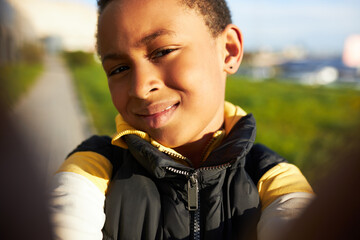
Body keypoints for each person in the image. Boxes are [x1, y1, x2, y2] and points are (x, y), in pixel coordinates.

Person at [50, 0, 314, 239]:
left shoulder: (272, 177)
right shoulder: (95, 168)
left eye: (163, 51)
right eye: (119, 69)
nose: (141, 88)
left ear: (228, 50)